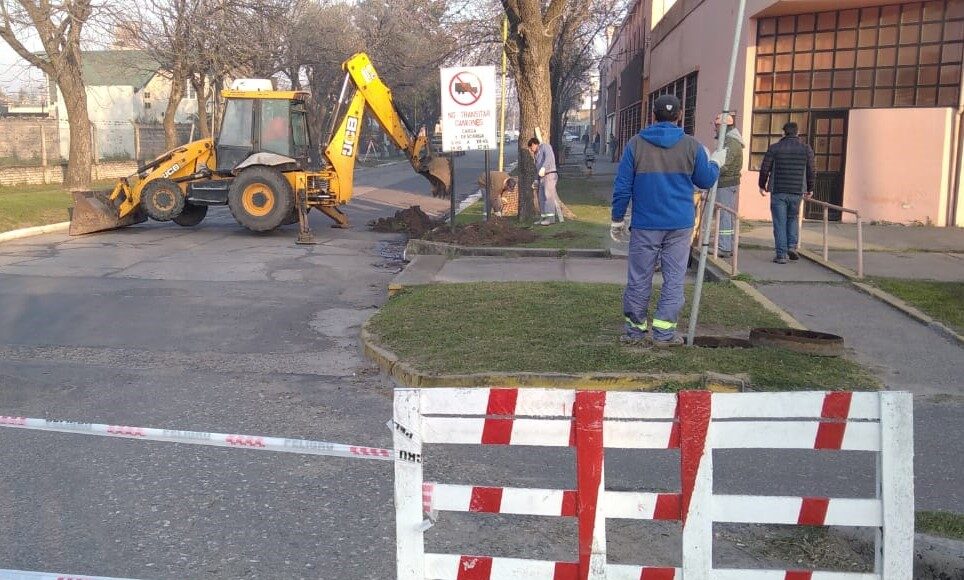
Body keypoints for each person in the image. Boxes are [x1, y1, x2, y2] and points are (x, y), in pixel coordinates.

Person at [610, 94, 726, 347]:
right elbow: (706, 180)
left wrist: (617, 219)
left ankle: (635, 332)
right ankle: (664, 334)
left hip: (645, 224)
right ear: (680, 115)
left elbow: (622, 187)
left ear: (653, 114)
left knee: (639, 278)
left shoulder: (636, 145)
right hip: (679, 224)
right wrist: (716, 163)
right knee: (674, 279)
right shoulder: (692, 146)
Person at [758, 122, 815, 264]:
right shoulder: (806, 149)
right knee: (793, 218)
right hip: (797, 190)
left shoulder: (775, 148)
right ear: (798, 133)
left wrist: (762, 185)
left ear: (783, 133)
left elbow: (765, 168)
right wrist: (810, 188)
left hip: (778, 190)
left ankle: (781, 255)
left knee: (779, 222)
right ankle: (792, 247)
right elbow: (811, 170)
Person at [713, 112, 745, 257]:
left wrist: (711, 170)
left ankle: (725, 247)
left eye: (717, 126)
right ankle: (727, 245)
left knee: (724, 214)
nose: (715, 129)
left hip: (726, 182)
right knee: (727, 214)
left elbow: (725, 162)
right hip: (727, 182)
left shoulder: (730, 142)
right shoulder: (730, 140)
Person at [527, 137, 564, 225]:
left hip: (550, 174)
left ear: (534, 144)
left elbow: (549, 158)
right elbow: (537, 169)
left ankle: (550, 218)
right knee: (541, 197)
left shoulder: (545, 147)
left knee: (548, 196)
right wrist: (536, 180)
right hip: (542, 178)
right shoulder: (536, 155)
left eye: (530, 147)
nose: (530, 150)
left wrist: (544, 167)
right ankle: (543, 217)